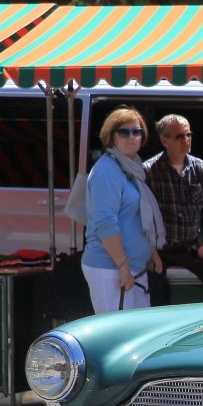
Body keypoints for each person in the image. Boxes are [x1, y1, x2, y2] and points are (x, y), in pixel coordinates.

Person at [81, 107, 164, 313]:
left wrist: (151, 251)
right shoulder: (106, 171)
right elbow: (105, 223)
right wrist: (123, 267)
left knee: (140, 331)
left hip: (134, 268)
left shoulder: (132, 167)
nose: (131, 137)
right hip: (110, 268)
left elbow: (136, 217)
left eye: (137, 132)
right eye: (124, 132)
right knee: (117, 333)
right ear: (111, 136)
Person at [144, 113, 203, 299]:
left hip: (192, 250)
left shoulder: (200, 168)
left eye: (188, 135)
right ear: (164, 140)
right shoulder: (149, 171)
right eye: (179, 136)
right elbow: (142, 218)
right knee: (157, 299)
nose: (186, 140)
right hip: (160, 252)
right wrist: (150, 251)